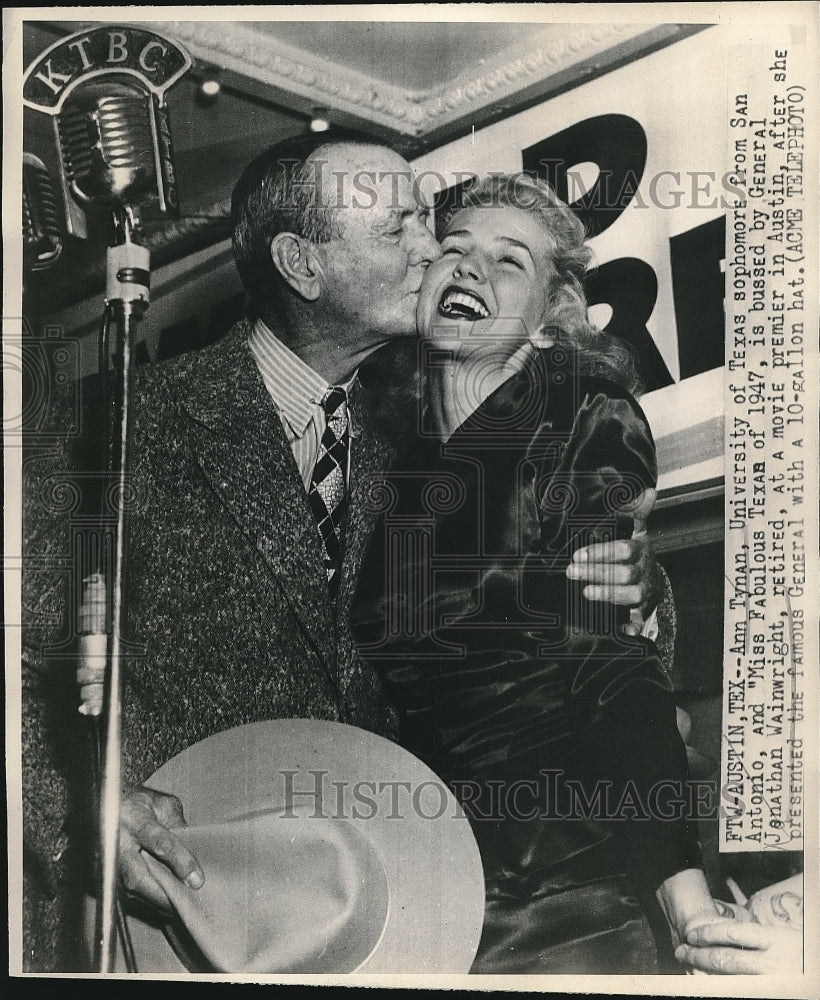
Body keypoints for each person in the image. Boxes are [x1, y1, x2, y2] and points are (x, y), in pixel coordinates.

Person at [22, 136, 667, 971]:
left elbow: (546, 630)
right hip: (157, 922)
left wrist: (635, 578)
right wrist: (79, 808)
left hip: (377, 917)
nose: (433, 249)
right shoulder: (116, 425)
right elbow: (21, 653)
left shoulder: (422, 427)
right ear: (303, 264)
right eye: (400, 226)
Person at [351, 173, 719, 974]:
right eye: (454, 249)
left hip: (573, 887)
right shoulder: (394, 465)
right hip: (432, 880)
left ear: (549, 318)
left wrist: (682, 893)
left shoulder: (582, 409)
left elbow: (610, 661)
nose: (470, 269)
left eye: (508, 259)